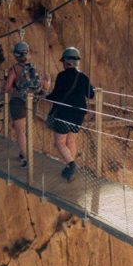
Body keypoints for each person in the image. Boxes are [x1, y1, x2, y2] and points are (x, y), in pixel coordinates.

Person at [45, 46, 94, 181]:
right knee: (71, 140)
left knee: (60, 142)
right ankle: (70, 167)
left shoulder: (61, 76)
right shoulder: (83, 77)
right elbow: (91, 95)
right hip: (78, 115)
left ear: (66, 62)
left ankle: (71, 164)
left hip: (63, 114)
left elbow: (56, 95)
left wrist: (45, 95)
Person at [3, 41, 49, 166]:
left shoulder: (14, 69)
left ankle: (28, 160)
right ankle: (24, 154)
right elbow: (45, 86)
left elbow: (6, 88)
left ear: (16, 56)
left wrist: (9, 81)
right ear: (28, 53)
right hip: (32, 102)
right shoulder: (36, 68)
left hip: (18, 102)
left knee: (20, 132)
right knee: (27, 131)